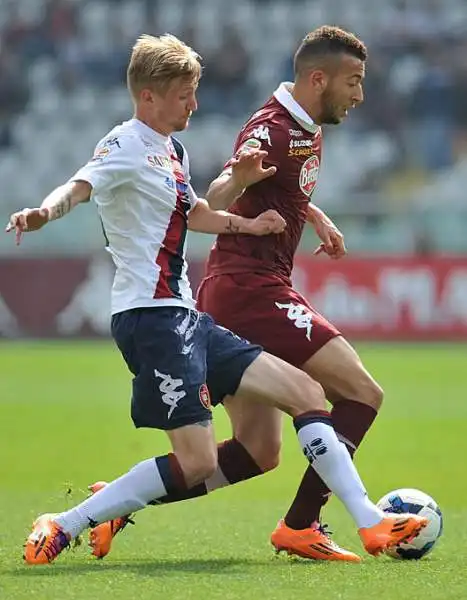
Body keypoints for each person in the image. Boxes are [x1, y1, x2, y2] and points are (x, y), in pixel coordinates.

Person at [7, 33, 426, 566]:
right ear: (149, 96)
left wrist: (263, 221)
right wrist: (44, 212)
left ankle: (362, 520)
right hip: (155, 316)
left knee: (285, 419)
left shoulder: (172, 150)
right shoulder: (125, 144)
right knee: (200, 459)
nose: (195, 105)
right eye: (185, 94)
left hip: (188, 311)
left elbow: (199, 212)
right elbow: (80, 186)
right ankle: (68, 522)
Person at [195, 25, 392, 561]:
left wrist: (316, 217)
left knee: (258, 451)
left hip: (235, 291)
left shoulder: (307, 123)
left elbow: (280, 184)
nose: (360, 95)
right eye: (354, 82)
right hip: (250, 290)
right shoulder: (271, 128)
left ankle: (119, 503)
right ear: (318, 78)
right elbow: (218, 193)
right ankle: (302, 525)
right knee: (362, 394)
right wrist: (235, 180)